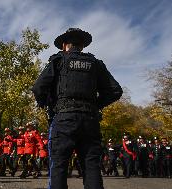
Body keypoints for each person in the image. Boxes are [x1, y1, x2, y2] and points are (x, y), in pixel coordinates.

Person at [32, 28, 123, 189]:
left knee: (59, 165)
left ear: (65, 45)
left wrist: (46, 104)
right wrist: (96, 104)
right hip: (90, 120)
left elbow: (39, 87)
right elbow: (115, 90)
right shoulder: (95, 63)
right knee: (91, 166)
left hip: (64, 119)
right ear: (81, 46)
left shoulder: (58, 60)